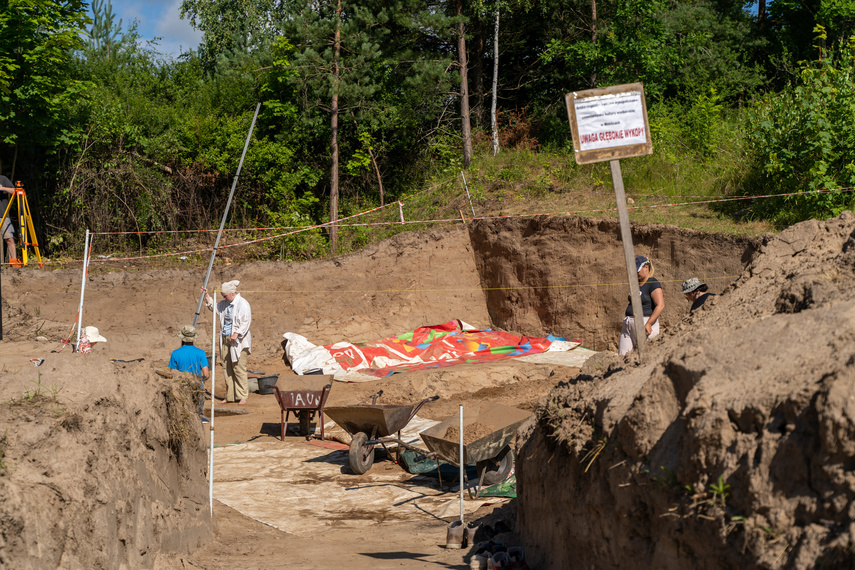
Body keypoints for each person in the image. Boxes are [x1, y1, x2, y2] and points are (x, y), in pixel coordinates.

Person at [204, 280, 252, 405]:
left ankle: (242, 395)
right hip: (225, 338)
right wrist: (207, 296)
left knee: (238, 367)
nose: (223, 298)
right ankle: (230, 396)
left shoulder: (242, 303)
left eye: (225, 295)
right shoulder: (225, 303)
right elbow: (215, 308)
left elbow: (246, 321)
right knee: (227, 367)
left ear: (232, 293)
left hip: (239, 341)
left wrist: (237, 333)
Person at [618, 255, 665, 356]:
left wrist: (649, 323)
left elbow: (660, 305)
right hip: (628, 325)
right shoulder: (636, 284)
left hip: (644, 324)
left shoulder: (653, 283)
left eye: (637, 270)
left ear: (646, 267)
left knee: (645, 356)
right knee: (622, 357)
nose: (636, 273)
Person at [169, 325, 211, 421]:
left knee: (183, 417)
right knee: (198, 417)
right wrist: (200, 380)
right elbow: (206, 374)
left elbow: (172, 374)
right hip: (197, 388)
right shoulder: (201, 353)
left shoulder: (175, 353)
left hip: (181, 388)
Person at [0, 175, 19, 266]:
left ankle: (14, 262)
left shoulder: (2, 179)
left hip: (3, 214)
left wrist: (2, 188)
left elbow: (14, 191)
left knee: (9, 239)